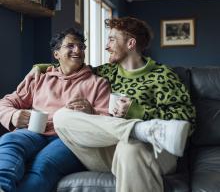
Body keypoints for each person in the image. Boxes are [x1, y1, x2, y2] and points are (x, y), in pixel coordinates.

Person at [30, 17, 196, 192]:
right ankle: (137, 129)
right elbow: (70, 67)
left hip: (153, 150)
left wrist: (137, 111)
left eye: (111, 39)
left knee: (130, 149)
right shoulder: (105, 72)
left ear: (130, 43)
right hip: (111, 149)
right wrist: (40, 67)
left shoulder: (163, 75)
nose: (106, 46)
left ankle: (148, 131)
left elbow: (187, 120)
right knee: (62, 116)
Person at [0, 28, 111, 192]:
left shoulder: (98, 83)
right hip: (34, 132)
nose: (78, 50)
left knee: (42, 165)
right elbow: (6, 102)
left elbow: (108, 120)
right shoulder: (39, 78)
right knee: (9, 142)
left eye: (81, 47)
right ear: (56, 54)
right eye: (71, 46)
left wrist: (91, 113)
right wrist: (13, 115)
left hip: (69, 139)